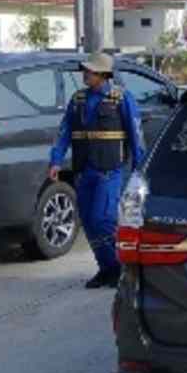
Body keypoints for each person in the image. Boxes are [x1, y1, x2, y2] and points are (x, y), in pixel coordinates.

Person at [48, 52, 145, 289]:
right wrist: (56, 160)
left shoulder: (121, 99)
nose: (85, 74)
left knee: (103, 220)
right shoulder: (78, 99)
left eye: (89, 71)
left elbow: (136, 134)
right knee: (89, 222)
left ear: (102, 75)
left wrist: (139, 169)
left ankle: (118, 268)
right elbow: (64, 132)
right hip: (84, 171)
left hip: (109, 171)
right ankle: (107, 269)